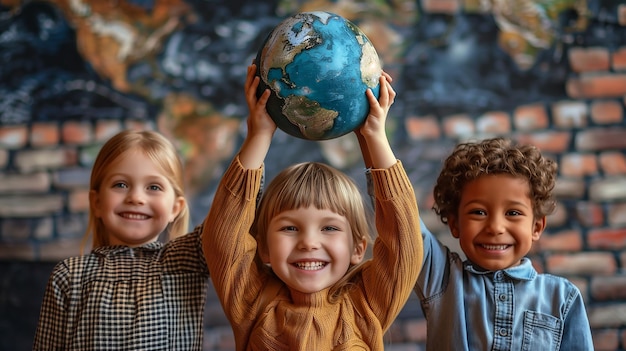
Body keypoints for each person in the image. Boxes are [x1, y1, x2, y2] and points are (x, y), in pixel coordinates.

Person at [202, 63, 423, 350]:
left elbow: (404, 244)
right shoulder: (252, 302)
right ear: (264, 247)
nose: (308, 242)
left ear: (358, 247)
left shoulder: (366, 306)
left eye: (329, 228)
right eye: (290, 228)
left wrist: (375, 137)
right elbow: (223, 239)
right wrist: (259, 136)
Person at [33, 130, 210, 350]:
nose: (135, 197)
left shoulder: (188, 263)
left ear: (175, 207)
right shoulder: (69, 275)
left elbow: (232, 214)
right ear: (96, 202)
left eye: (153, 187)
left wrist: (257, 136)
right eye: (120, 185)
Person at [414, 137, 593, 350]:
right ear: (455, 224)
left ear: (536, 227)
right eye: (478, 212)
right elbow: (402, 221)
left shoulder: (563, 298)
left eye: (513, 213)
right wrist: (374, 135)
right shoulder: (442, 282)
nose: (496, 227)